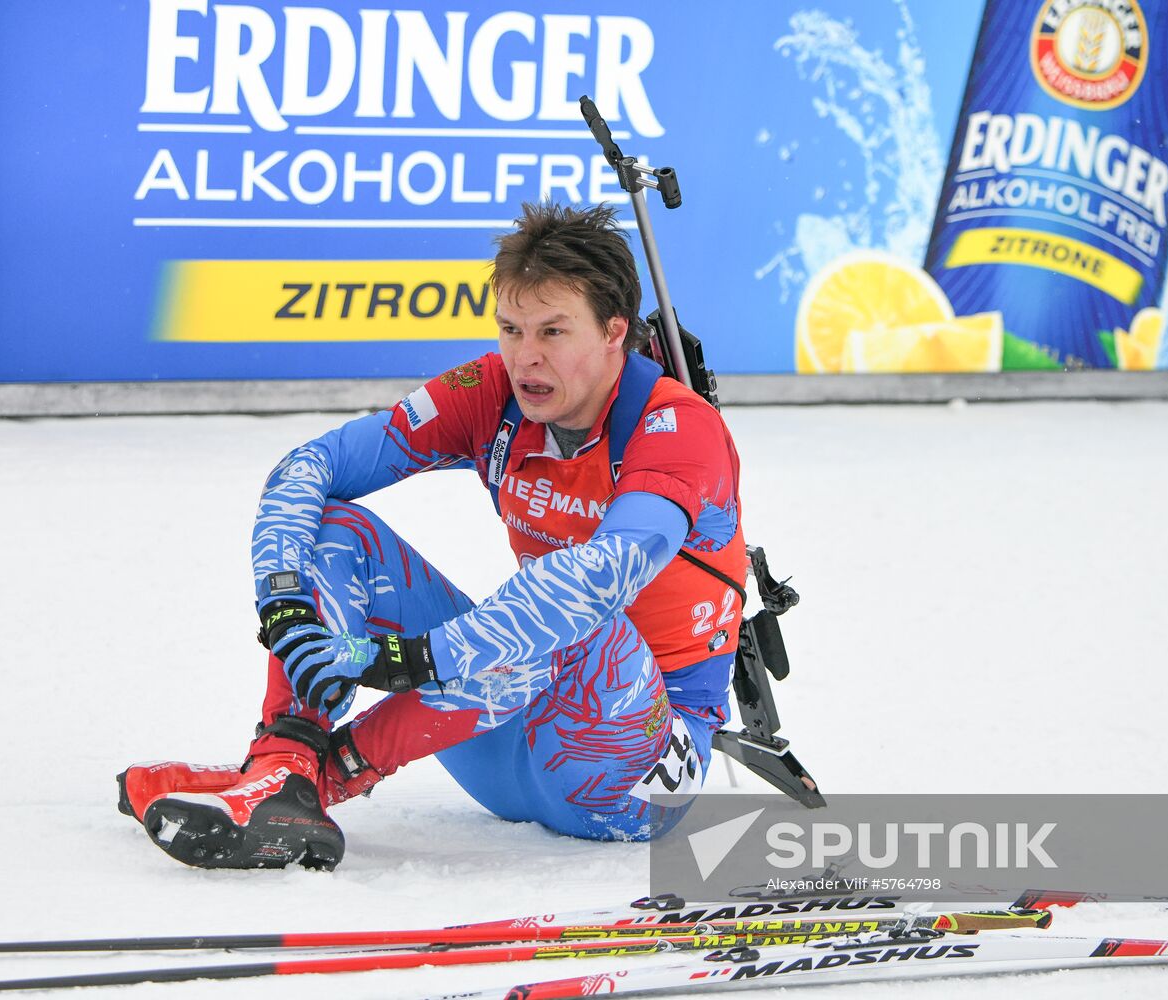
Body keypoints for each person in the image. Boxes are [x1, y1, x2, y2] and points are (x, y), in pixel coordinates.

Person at [118, 202, 748, 870]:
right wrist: (282, 603)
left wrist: (405, 659)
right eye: (511, 328)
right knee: (337, 528)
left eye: (553, 331)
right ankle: (282, 768)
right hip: (503, 745)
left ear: (613, 332)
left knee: (560, 607)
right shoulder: (492, 391)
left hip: (629, 776)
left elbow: (595, 583)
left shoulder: (677, 429)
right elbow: (308, 467)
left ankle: (322, 778)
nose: (525, 356)